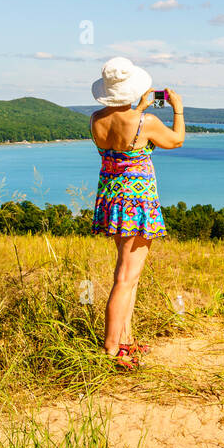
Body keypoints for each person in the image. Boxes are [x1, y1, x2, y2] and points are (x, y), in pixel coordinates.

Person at [88, 56, 185, 368]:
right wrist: (178, 109)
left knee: (127, 275)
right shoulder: (146, 123)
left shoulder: (95, 120)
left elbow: (122, 133)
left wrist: (140, 108)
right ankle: (111, 349)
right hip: (137, 204)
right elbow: (176, 140)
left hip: (111, 201)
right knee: (126, 277)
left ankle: (125, 342)